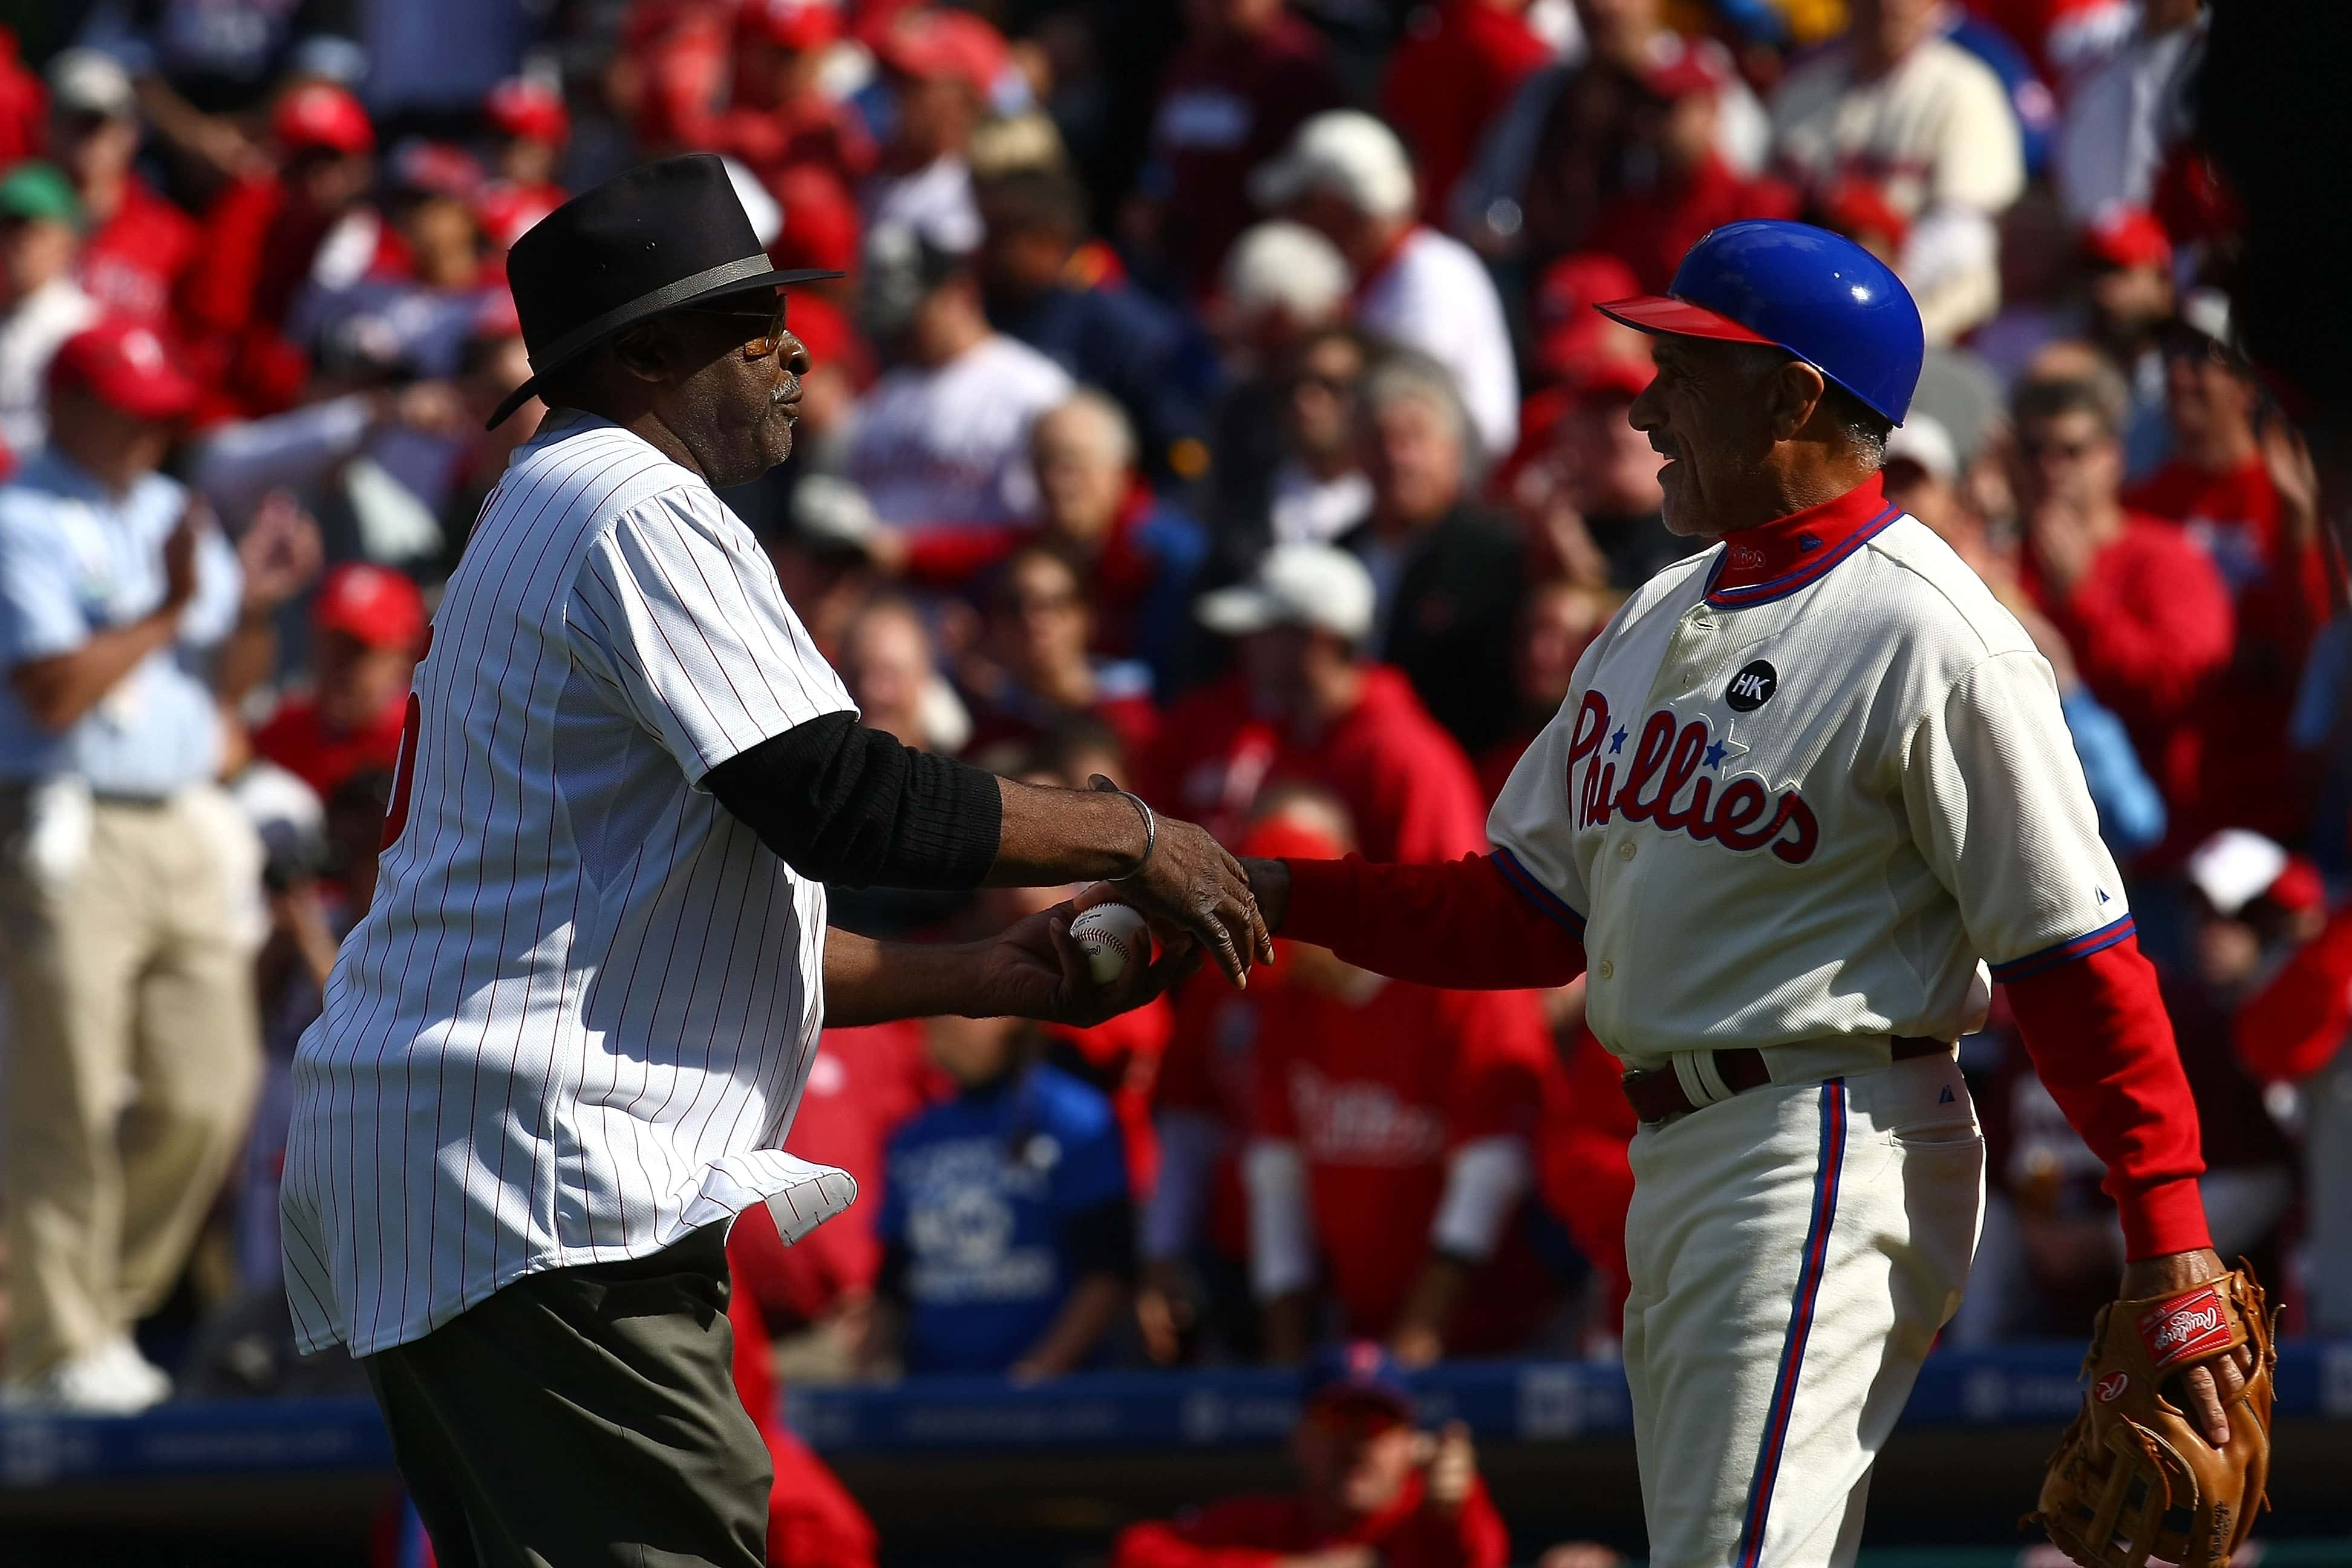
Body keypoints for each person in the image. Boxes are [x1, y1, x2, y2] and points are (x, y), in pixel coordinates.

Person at [278, 157, 1268, 1567]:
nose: (794, 346)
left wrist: (979, 971)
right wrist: (1129, 828)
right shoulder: (628, 501)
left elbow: (672, 929)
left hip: (460, 1161)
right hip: (535, 1175)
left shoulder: (544, 503)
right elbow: (839, 799)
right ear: (642, 357)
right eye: (746, 321)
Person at [1237, 221, 2240, 1567]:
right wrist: (1271, 893)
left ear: (1795, 396)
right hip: (1689, 1155)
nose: (1647, 405)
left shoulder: (1929, 633)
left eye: (1685, 371)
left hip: (1823, 1136)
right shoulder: (1655, 613)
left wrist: (2169, 1239)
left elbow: (2076, 958)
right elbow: (1523, 914)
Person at [0, 321, 260, 1410]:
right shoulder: (21, 520)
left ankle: (87, 1316)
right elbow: (52, 689)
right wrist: (165, 611)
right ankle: (59, 1345)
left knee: (211, 1090)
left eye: (162, 408)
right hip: (67, 822)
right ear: (66, 407)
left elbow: (229, 671)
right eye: (130, 405)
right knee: (66, 1093)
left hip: (183, 815)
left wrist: (264, 609)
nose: (154, 427)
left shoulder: (167, 509)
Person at [1244, 795, 1560, 1364]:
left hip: (1505, 1330)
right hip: (1360, 1330)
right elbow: (1277, 1173)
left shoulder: (1455, 976)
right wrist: (1284, 1354)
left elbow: (1493, 1167)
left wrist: (1418, 1334)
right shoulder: (1287, 1003)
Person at [1151, 543, 1489, 866]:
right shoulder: (1284, 734)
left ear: (1318, 640)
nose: (1245, 645)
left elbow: (1450, 907)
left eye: (1265, 630)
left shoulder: (1408, 758)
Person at [2007, 371, 2232, 817]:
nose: (2050, 469)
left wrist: (2080, 598)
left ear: (2113, 456)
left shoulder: (2168, 556)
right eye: (2034, 452)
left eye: (2072, 451)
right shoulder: (2002, 565)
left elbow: (2182, 687)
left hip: (2162, 839)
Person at [869, 1009, 1133, 1378]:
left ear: (1011, 1016)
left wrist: (1038, 1373)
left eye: (956, 1011)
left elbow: (1107, 1270)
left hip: (1057, 1400)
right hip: (932, 1394)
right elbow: (894, 1279)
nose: (935, 1024)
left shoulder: (1075, 1119)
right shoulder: (914, 1137)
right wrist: (872, 1370)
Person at [1253, 111, 1519, 461]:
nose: (1292, 221)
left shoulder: (1435, 275)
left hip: (1448, 485)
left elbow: (1409, 407)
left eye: (1301, 205)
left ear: (1336, 206)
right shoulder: (1363, 274)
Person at [1109, 1342, 1510, 1568]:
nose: (1357, 1444)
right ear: (1298, 1439)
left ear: (1411, 1445)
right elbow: (1136, 1553)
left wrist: (1455, 1507)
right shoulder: (1267, 1523)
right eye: (1337, 1421)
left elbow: (1479, 1557)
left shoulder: (1422, 1522)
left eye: (1377, 1426)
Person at [1769, 0, 2025, 342]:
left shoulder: (1965, 89)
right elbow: (1770, 209)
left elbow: (1962, 238)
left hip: (1933, 327)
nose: (1887, 7)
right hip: (1810, 314)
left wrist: (1863, 296)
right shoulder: (1801, 90)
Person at [976, 167, 1210, 485]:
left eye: (998, 238)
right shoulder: (980, 316)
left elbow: (1176, 451)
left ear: (1050, 241)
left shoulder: (1123, 329)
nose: (981, 251)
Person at [1339, 356, 1523, 759]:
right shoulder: (1339, 553)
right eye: (1376, 440)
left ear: (1453, 451)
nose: (1395, 458)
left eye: (1412, 439)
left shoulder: (1497, 553)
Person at [846, 228, 1073, 531]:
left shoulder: (1034, 388)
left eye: (912, 318)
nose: (899, 335)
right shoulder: (883, 398)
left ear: (962, 293)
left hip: (984, 575)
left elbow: (1046, 524)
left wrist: (914, 557)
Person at [1139, 0, 1345, 299]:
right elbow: (1161, 154)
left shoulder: (1296, 66)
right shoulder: (1186, 62)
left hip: (1260, 278)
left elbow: (1307, 193)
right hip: (1180, 268)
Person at [44, 48, 201, 330]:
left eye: (101, 124)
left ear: (130, 133)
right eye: (76, 122)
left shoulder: (174, 239)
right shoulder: (15, 226)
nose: (89, 139)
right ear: (48, 127)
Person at [252, 562, 430, 803]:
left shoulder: (422, 748)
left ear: (404, 659)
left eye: (357, 651)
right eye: (331, 645)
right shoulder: (282, 730)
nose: (338, 666)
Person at [0, 162, 97, 462]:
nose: (18, 244)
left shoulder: (80, 325)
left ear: (68, 240)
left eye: (33, 231)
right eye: (7, 227)